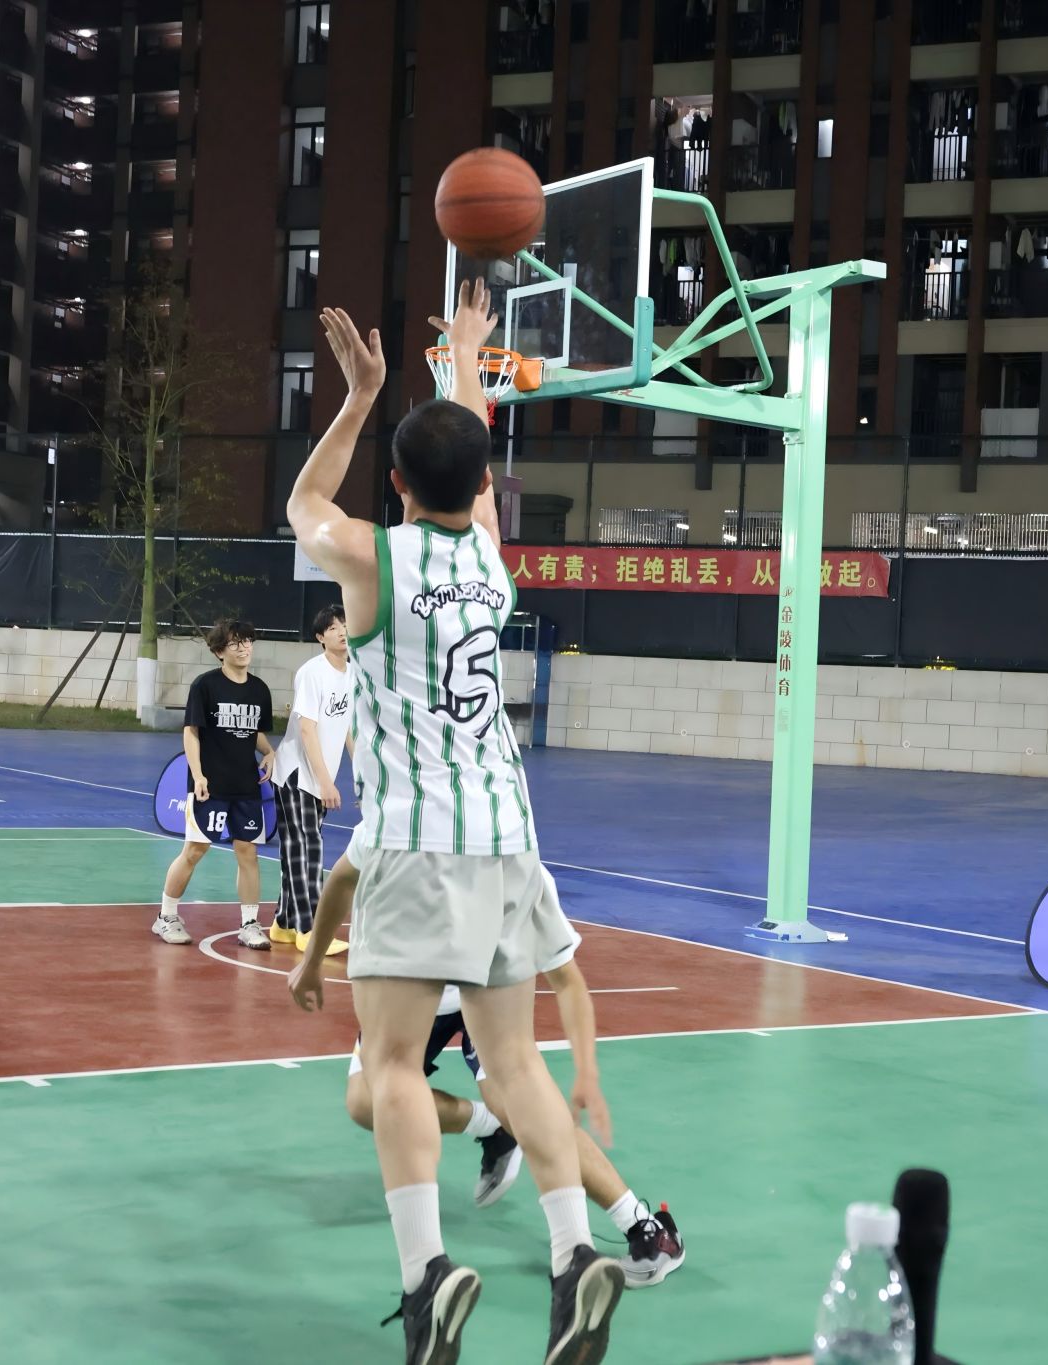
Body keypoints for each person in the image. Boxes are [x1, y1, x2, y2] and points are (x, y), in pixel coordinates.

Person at [286, 281, 626, 1365]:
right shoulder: (488, 555)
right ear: (485, 487)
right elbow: (466, 461)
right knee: (513, 1063)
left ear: (394, 484)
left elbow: (302, 503)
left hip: (416, 837)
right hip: (508, 838)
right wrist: (468, 359)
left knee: (391, 1065)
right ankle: (574, 1253)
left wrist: (359, 397)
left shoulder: (371, 558)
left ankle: (427, 1275)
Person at [292, 854, 686, 1289]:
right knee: (364, 1102)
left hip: (486, 995)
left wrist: (586, 1070)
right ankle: (491, 1128)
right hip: (410, 993)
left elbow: (565, 977)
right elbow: (343, 878)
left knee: (523, 1105)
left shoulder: (515, 858)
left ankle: (644, 1227)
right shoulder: (394, 830)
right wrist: (312, 961)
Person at [153, 618, 277, 950]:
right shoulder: (205, 686)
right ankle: (166, 916)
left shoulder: (259, 689)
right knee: (195, 849)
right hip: (210, 785)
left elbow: (254, 731)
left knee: (248, 852)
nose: (244, 648)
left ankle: (249, 924)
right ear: (220, 651)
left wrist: (268, 751)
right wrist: (198, 775)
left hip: (246, 785)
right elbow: (191, 731)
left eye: (248, 641)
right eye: (236, 643)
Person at [271, 603, 355, 956]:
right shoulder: (312, 673)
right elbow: (307, 730)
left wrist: (361, 773)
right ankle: (309, 929)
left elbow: (349, 727)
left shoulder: (353, 672)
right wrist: (325, 782)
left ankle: (284, 923)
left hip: (317, 775)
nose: (342, 631)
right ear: (321, 637)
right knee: (308, 847)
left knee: (297, 847)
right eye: (333, 627)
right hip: (296, 773)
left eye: (344, 624)